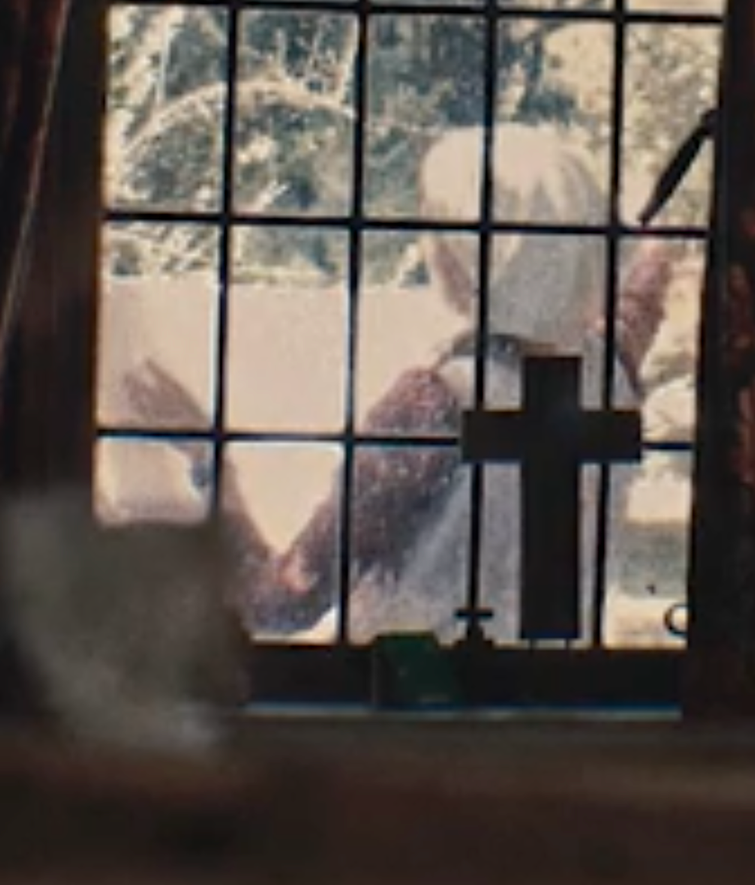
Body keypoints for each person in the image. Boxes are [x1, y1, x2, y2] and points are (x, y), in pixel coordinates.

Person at [239, 126, 675, 643]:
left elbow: (285, 602)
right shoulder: (610, 380)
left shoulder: (432, 404)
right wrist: (643, 249)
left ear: (473, 257)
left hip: (428, 688)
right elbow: (637, 309)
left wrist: (215, 486)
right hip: (560, 684)